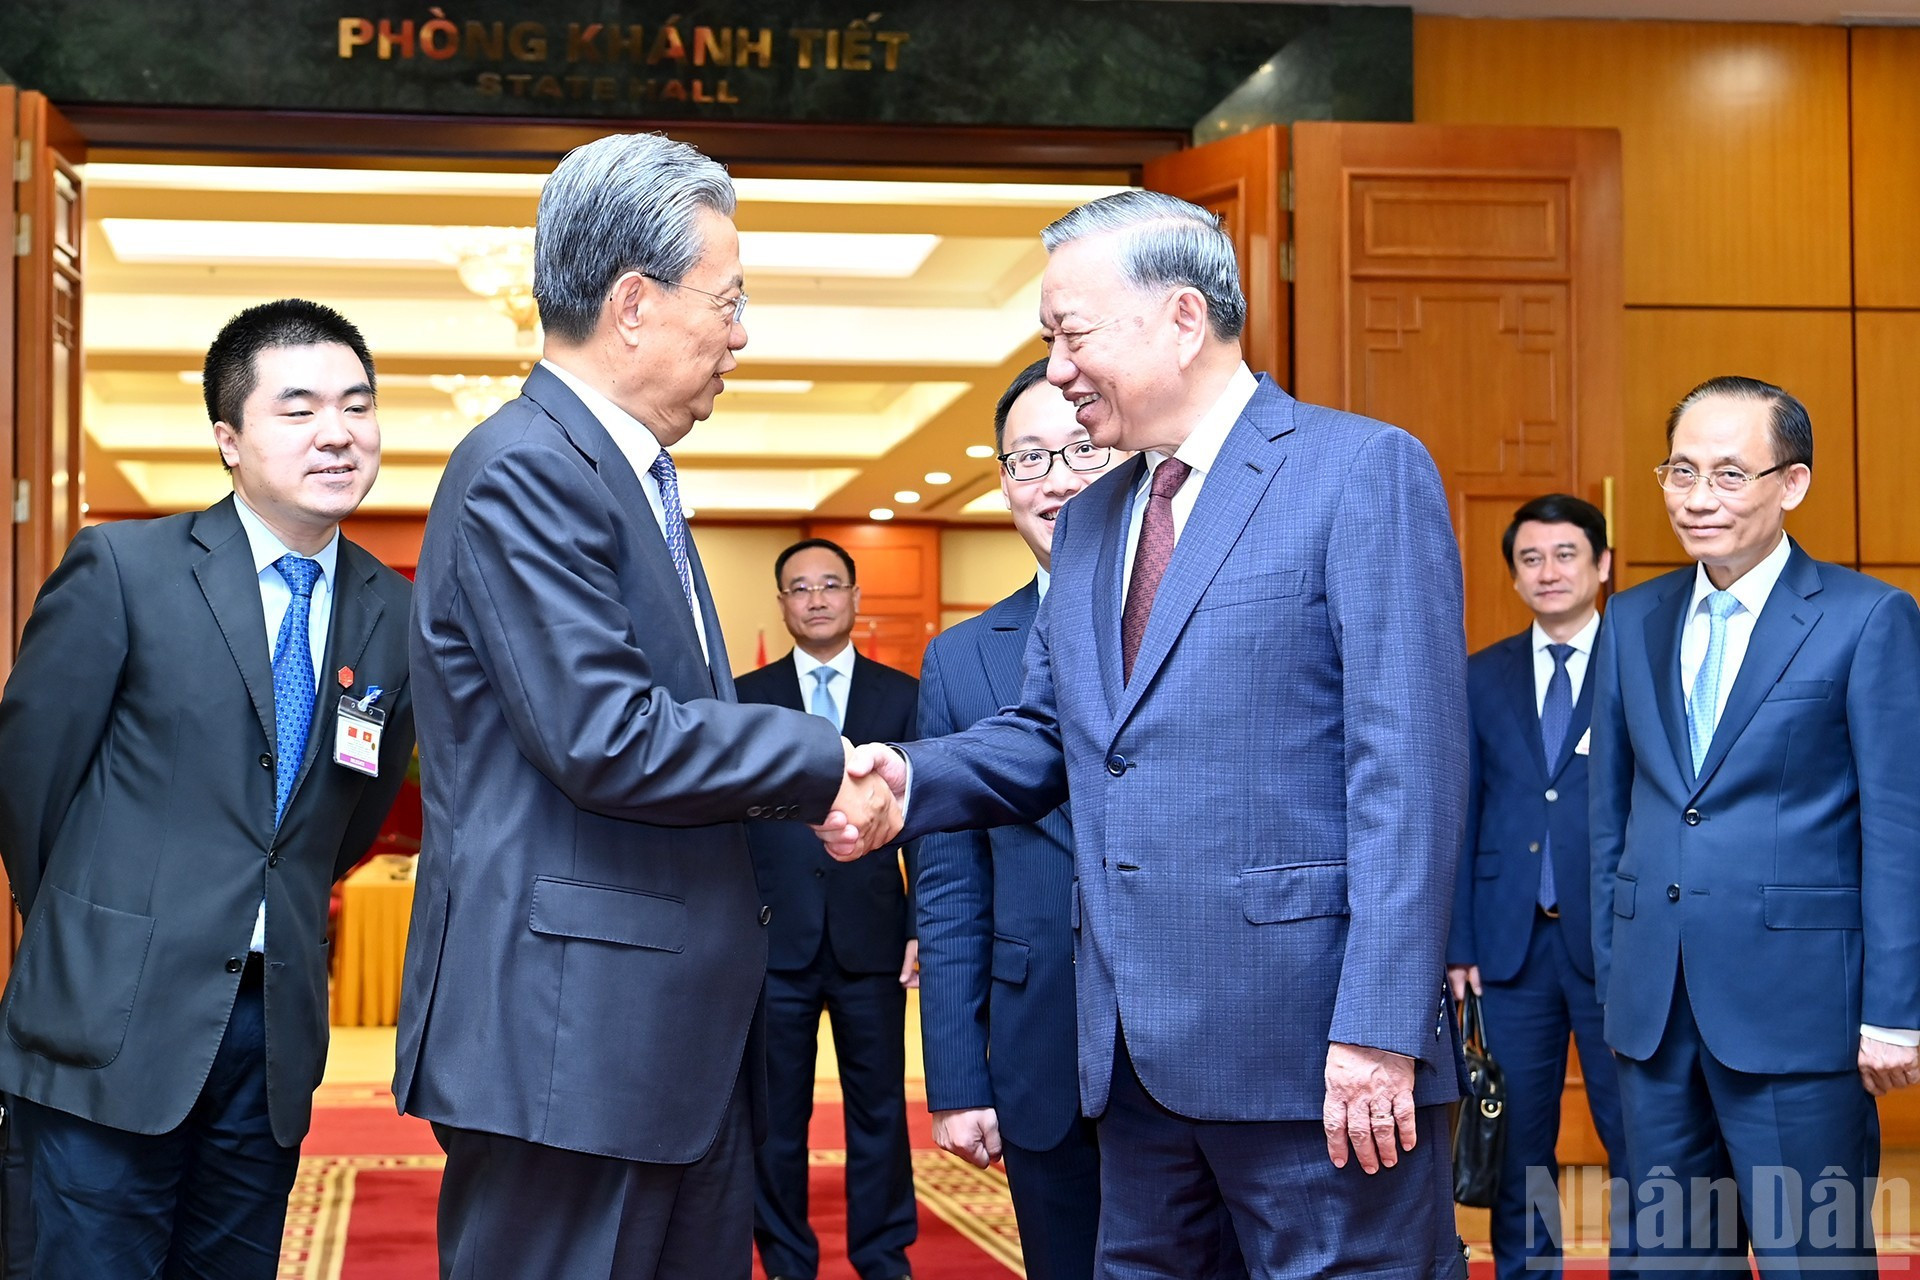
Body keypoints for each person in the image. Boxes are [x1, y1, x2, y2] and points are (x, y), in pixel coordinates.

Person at [828, 190, 1469, 1278]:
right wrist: (905, 779)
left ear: (1182, 317)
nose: (1059, 367)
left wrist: (1378, 1024)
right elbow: (1050, 733)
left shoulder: (1358, 471)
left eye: (1070, 334)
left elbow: (1409, 769)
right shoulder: (1093, 517)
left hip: (1315, 1055)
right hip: (1130, 1059)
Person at [391, 132, 894, 1280]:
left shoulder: (620, 473)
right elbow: (605, 735)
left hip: (657, 1034)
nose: (743, 331)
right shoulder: (528, 466)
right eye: (729, 298)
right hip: (574, 1045)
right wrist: (823, 761)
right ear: (633, 302)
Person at [0, 298, 416, 1280]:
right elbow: (32, 780)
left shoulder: (393, 607)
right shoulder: (126, 568)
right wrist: (94, 925)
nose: (337, 432)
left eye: (358, 406)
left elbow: (345, 813)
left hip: (271, 1034)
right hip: (109, 1015)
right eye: (300, 406)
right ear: (228, 438)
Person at [1589, 375, 1920, 1277]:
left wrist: (1895, 1012)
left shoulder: (1868, 618)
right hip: (1654, 1016)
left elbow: (1898, 827)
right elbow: (1610, 819)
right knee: (1666, 1262)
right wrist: (1616, 976)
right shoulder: (1631, 619)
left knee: (1814, 1258)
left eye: (1730, 475)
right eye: (1681, 471)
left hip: (1799, 1013)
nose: (1699, 498)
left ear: (1793, 482)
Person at [913, 359, 1126, 1280]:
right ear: (1003, 484)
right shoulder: (961, 660)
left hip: (1196, 1043)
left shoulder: (1197, 617)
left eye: (1081, 449)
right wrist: (959, 1079)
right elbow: (950, 890)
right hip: (1040, 1045)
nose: (1058, 478)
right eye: (1028, 458)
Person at [1447, 494, 1632, 1279]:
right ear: (1515, 578)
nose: (1548, 571)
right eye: (1531, 559)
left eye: (1565, 555)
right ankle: (1531, 1271)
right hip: (1507, 949)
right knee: (1520, 1142)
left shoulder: (1639, 668)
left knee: (1637, 1134)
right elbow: (1459, 814)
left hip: (1620, 947)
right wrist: (1456, 942)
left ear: (1602, 566)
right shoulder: (1479, 676)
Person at [736, 537, 920, 1280]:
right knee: (775, 1123)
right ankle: (786, 1262)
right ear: (781, 604)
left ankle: (883, 1258)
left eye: (830, 585)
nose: (815, 599)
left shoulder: (902, 694)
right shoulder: (745, 698)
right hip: (772, 942)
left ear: (854, 597)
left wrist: (920, 930)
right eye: (799, 588)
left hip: (872, 939)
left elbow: (931, 820)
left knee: (880, 1113)